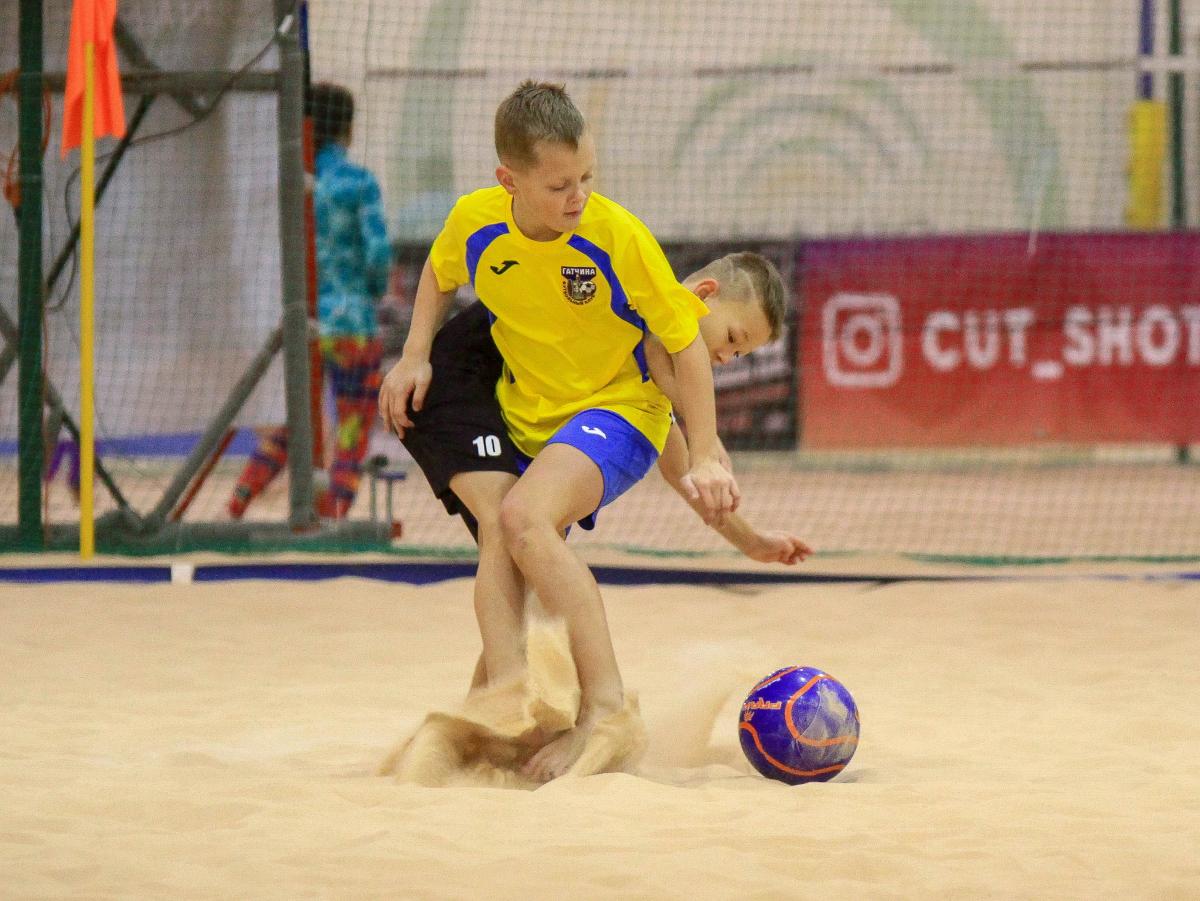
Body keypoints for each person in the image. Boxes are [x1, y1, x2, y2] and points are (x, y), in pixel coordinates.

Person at [379, 81, 774, 780]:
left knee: (521, 519)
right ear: (510, 181)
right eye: (560, 185)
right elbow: (440, 274)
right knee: (512, 545)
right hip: (531, 418)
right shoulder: (476, 221)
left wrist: (711, 450)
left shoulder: (618, 237)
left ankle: (606, 709)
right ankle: (495, 717)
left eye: (587, 177)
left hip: (616, 415)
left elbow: (686, 350)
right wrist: (414, 355)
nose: (578, 196)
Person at [228, 82, 391, 520]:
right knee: (352, 428)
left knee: (298, 423)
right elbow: (378, 253)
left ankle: (239, 499)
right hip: (353, 325)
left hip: (303, 323)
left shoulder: (292, 183)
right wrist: (370, 291)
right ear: (347, 128)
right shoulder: (359, 182)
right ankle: (334, 514)